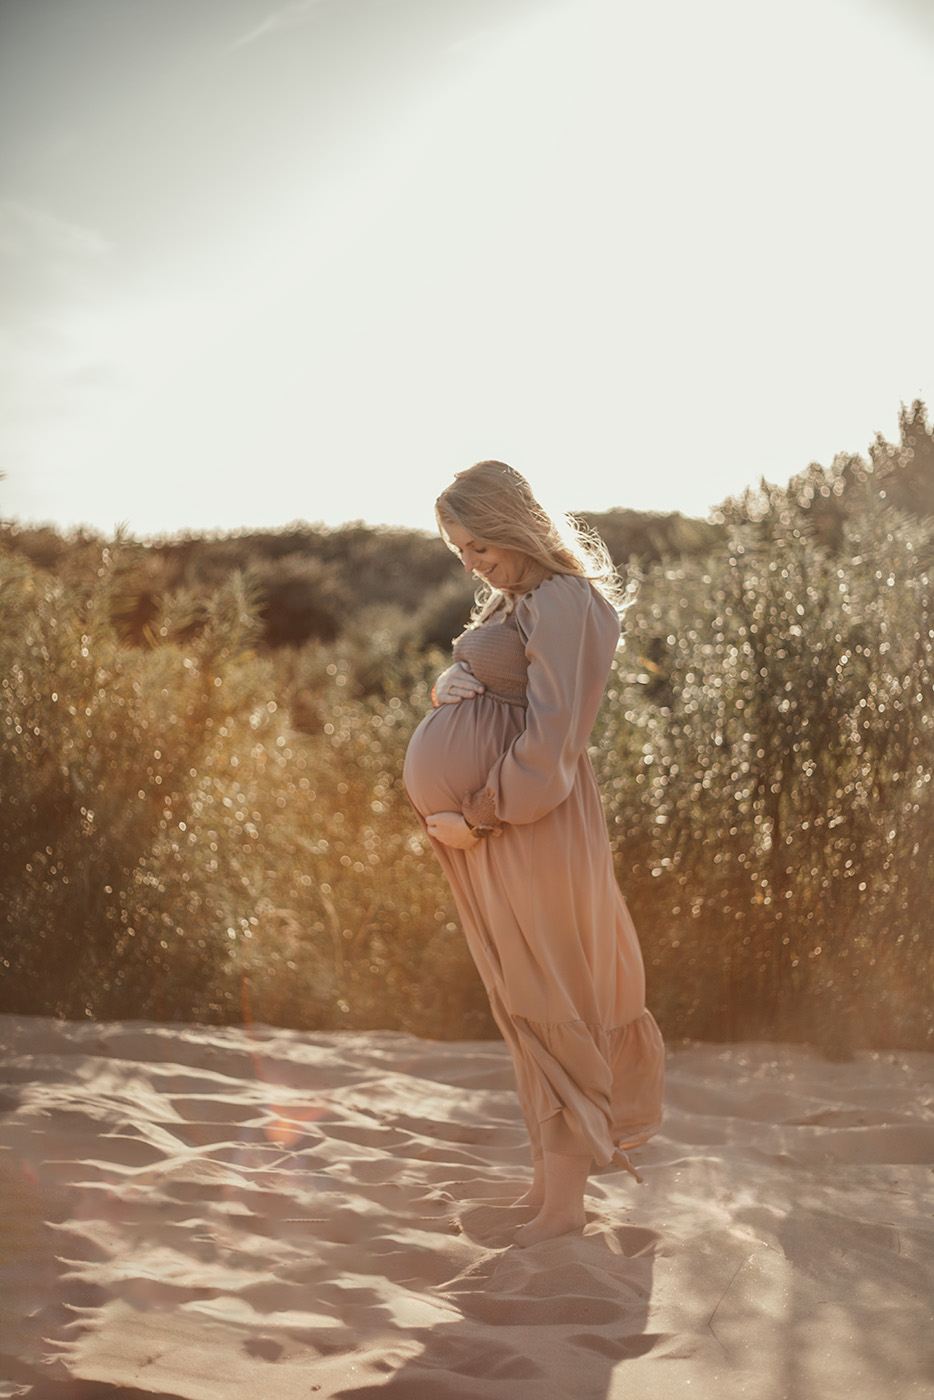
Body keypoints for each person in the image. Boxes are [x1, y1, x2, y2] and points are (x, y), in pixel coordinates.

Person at [403, 460, 664, 1247]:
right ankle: (544, 1188)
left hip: (530, 825)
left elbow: (554, 741)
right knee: (525, 1002)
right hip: (497, 833)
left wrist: (479, 815)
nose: (470, 563)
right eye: (459, 551)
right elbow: (508, 689)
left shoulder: (567, 600)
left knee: (557, 1000)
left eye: (480, 546)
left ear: (516, 527)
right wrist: (455, 681)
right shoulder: (517, 599)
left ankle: (564, 1209)